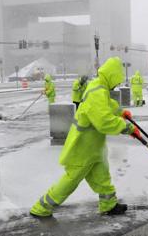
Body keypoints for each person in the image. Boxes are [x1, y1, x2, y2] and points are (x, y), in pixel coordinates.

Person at [30, 57, 141, 218]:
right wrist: (127, 127)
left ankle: (108, 205)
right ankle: (42, 207)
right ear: (111, 76)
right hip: (83, 146)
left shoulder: (99, 87)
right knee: (71, 180)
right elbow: (103, 121)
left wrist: (120, 112)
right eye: (116, 81)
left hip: (94, 145)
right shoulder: (97, 91)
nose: (116, 85)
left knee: (102, 176)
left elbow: (106, 105)